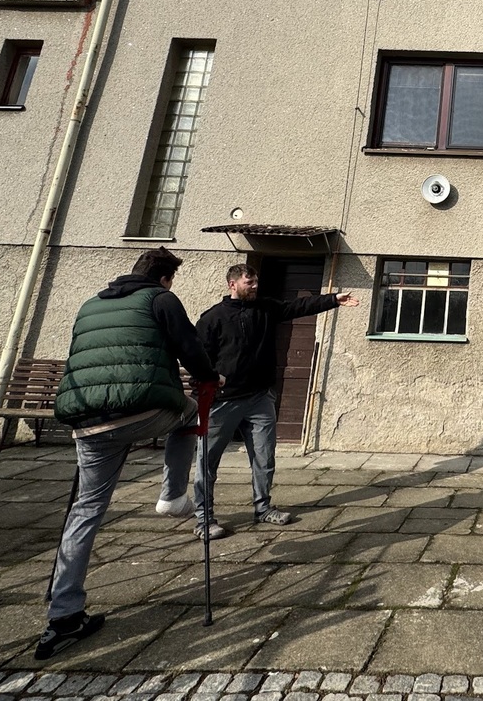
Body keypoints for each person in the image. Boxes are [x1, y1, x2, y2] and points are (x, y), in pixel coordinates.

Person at [38, 247, 221, 660]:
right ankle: (172, 495)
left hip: (88, 420)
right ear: (165, 278)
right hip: (141, 410)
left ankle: (63, 615)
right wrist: (212, 376)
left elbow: (84, 356)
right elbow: (190, 348)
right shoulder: (161, 299)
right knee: (190, 413)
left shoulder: (90, 305)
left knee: (86, 509)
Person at [194, 264, 358, 537]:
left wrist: (333, 299)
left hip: (259, 398)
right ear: (232, 285)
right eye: (249, 282)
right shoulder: (213, 318)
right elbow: (199, 359)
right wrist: (205, 391)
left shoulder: (265, 308)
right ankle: (204, 519)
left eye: (256, 281)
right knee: (207, 462)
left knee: (264, 457)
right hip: (223, 401)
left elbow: (298, 307)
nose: (255, 286)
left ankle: (263, 508)